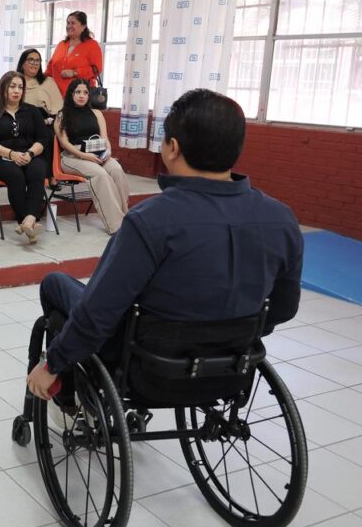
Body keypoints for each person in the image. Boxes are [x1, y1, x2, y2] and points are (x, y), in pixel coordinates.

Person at [27, 89, 303, 401]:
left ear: (172, 147)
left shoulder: (150, 220)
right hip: (232, 366)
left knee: (55, 284)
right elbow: (284, 307)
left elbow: (98, 311)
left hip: (150, 369)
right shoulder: (281, 219)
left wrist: (53, 362)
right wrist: (229, 335)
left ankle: (66, 396)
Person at [0, 71, 49, 242]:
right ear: (3, 88)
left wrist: (30, 153)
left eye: (20, 87)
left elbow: (43, 138)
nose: (17, 90)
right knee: (15, 174)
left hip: (28, 155)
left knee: (38, 169)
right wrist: (11, 154)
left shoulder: (32, 111)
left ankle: (29, 220)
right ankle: (26, 221)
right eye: (12, 86)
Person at [55, 79, 130, 235]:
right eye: (78, 92)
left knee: (116, 169)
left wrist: (108, 152)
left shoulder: (97, 113)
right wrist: (84, 156)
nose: (82, 96)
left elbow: (105, 138)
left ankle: (126, 217)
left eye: (85, 92)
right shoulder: (62, 115)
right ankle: (117, 226)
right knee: (100, 174)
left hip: (98, 154)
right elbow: (64, 143)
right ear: (71, 94)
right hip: (72, 157)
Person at [17, 48, 62, 179]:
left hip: (44, 121)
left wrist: (46, 121)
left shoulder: (48, 82)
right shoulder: (15, 81)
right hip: (19, 120)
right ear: (22, 63)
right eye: (31, 60)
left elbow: (59, 109)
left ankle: (49, 176)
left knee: (47, 135)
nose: (35, 63)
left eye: (37, 60)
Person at [45, 11, 103, 98]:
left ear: (83, 26)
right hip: (56, 96)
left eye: (73, 23)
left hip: (80, 97)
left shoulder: (92, 45)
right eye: (68, 23)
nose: (69, 26)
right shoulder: (61, 45)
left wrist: (75, 72)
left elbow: (96, 70)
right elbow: (50, 68)